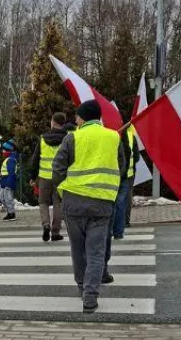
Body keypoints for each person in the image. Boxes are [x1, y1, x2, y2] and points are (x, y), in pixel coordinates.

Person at [53, 99, 129, 313]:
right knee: (95, 252)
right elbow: (121, 167)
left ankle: (81, 287)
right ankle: (90, 297)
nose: (75, 119)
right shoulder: (113, 137)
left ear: (83, 117)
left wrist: (63, 191)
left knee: (78, 250)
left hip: (74, 203)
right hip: (102, 204)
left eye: (77, 116)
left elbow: (57, 169)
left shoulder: (72, 137)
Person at [26, 112, 70, 242]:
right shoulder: (68, 138)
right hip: (61, 177)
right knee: (58, 203)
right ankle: (55, 232)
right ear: (63, 123)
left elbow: (34, 160)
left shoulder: (42, 138)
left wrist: (33, 177)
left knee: (43, 202)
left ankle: (46, 225)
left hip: (44, 178)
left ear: (53, 122)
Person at [112, 125, 139, 238]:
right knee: (122, 202)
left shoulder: (109, 135)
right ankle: (120, 229)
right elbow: (136, 157)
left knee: (111, 202)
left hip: (112, 175)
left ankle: (109, 229)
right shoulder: (131, 136)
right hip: (127, 175)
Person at [0, 140, 18, 221]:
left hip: (8, 183)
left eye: (5, 150)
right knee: (2, 197)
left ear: (9, 150)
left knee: (8, 198)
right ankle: (9, 212)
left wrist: (9, 184)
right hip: (4, 182)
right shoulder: (8, 159)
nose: (3, 151)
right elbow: (6, 171)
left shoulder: (11, 160)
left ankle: (11, 214)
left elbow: (11, 173)